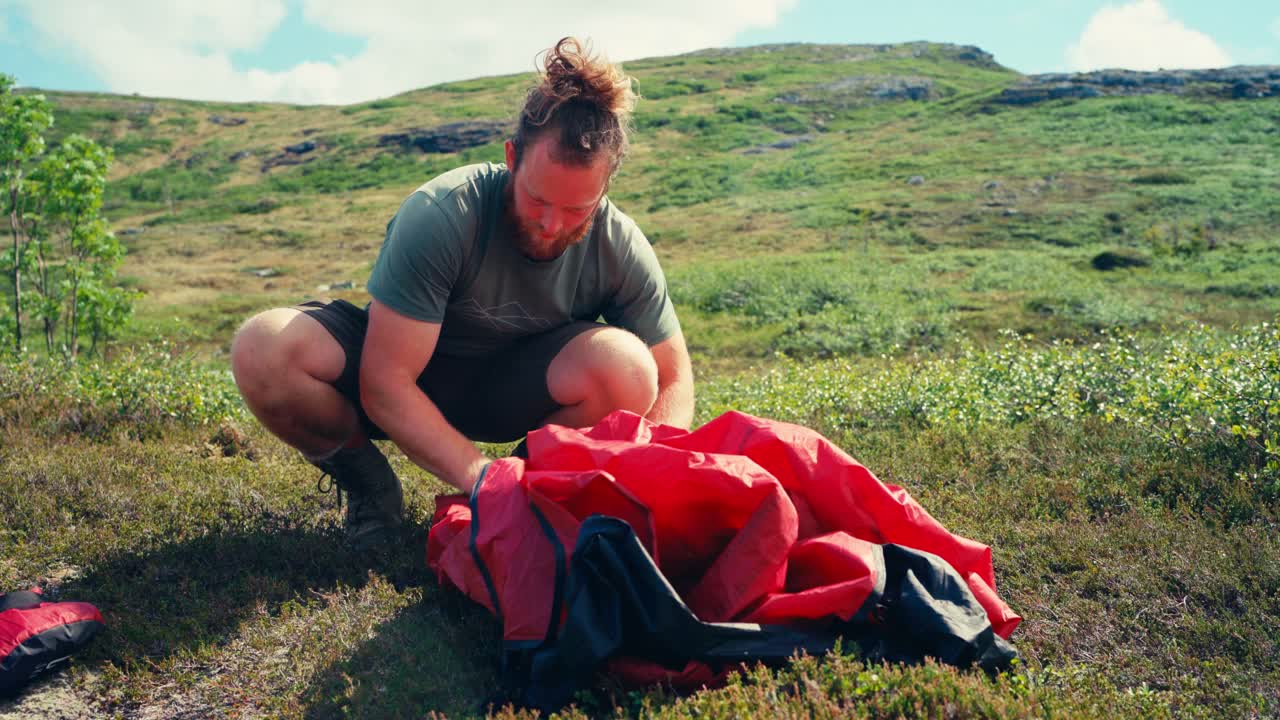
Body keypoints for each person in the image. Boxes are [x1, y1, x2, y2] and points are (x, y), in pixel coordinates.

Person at [229, 37, 694, 551]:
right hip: (406, 376)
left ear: (605, 187)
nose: (550, 224)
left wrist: (646, 481)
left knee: (630, 368)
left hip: (516, 396)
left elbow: (673, 378)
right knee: (263, 348)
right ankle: (372, 489)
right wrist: (481, 478)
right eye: (537, 199)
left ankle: (533, 493)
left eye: (577, 209)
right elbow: (385, 382)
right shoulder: (444, 212)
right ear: (512, 159)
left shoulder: (619, 242)